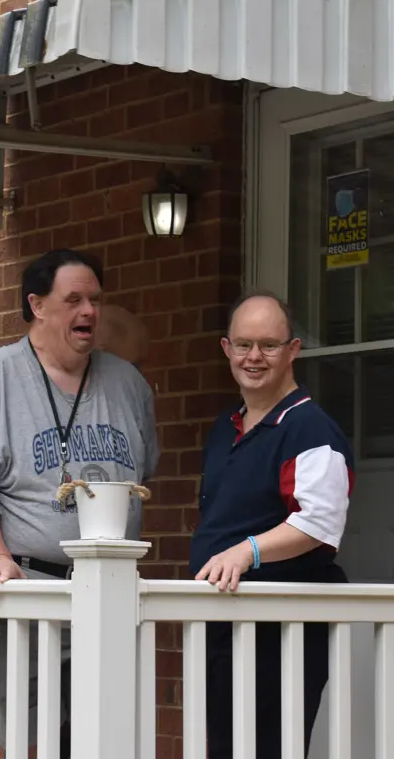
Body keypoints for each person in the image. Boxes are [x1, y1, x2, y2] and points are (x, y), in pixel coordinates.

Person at [0, 248, 159, 758]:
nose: (89, 312)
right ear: (37, 305)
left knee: (102, 735)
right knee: (32, 740)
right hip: (23, 592)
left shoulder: (127, 383)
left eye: (95, 301)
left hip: (104, 595)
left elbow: (143, 470)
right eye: (74, 300)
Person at [190, 291, 353, 759]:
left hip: (280, 634)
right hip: (225, 625)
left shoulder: (310, 428)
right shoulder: (227, 427)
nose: (254, 357)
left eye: (269, 345)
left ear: (293, 350)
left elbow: (319, 523)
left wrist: (246, 551)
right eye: (243, 345)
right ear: (226, 349)